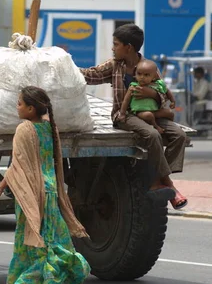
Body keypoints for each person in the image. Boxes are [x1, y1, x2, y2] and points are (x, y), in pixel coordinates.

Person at [0, 86, 90, 284]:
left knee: (36, 242)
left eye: (20, 104)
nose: (17, 107)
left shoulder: (24, 129)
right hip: (51, 191)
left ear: (31, 108)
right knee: (50, 240)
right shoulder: (50, 128)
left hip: (34, 194)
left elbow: (17, 166)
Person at [80, 24, 188, 209]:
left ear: (128, 47)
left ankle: (157, 179)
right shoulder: (114, 66)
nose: (113, 48)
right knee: (153, 135)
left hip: (150, 114)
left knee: (180, 136)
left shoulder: (149, 67)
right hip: (125, 116)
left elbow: (163, 92)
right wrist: (64, 67)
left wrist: (152, 94)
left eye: (116, 44)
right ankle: (168, 184)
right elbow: (90, 75)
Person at [119, 60, 176, 134]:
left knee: (170, 113)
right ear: (135, 74)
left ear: (154, 76)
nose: (142, 77)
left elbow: (167, 91)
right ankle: (156, 127)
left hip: (155, 111)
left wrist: (172, 101)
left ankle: (171, 126)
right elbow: (126, 101)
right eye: (139, 74)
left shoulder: (158, 85)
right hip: (140, 112)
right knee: (149, 115)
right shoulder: (134, 87)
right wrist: (122, 114)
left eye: (146, 75)